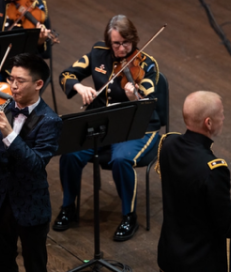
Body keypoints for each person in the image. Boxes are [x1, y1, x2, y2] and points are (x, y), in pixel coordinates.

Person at [54, 14, 162, 242]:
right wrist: (80, 87)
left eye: (126, 43)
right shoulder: (97, 54)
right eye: (116, 43)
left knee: (121, 160)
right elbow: (66, 75)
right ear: (109, 41)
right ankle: (68, 207)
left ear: (133, 40)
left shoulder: (146, 64)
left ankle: (128, 215)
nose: (122, 49)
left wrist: (136, 96)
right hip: (101, 123)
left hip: (135, 127)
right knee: (70, 153)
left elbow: (149, 101)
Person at [0, 52, 62, 272]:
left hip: (30, 205)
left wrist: (9, 134)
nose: (13, 86)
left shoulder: (50, 121)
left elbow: (36, 164)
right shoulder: (3, 108)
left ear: (38, 84)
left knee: (35, 264)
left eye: (20, 81)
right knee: (3, 263)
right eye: (11, 79)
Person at [156, 90, 231, 272]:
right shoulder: (213, 169)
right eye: (221, 114)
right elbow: (230, 227)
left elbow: (182, 186)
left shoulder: (168, 144)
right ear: (208, 123)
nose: (224, 118)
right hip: (199, 262)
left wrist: (222, 200)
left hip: (169, 255)